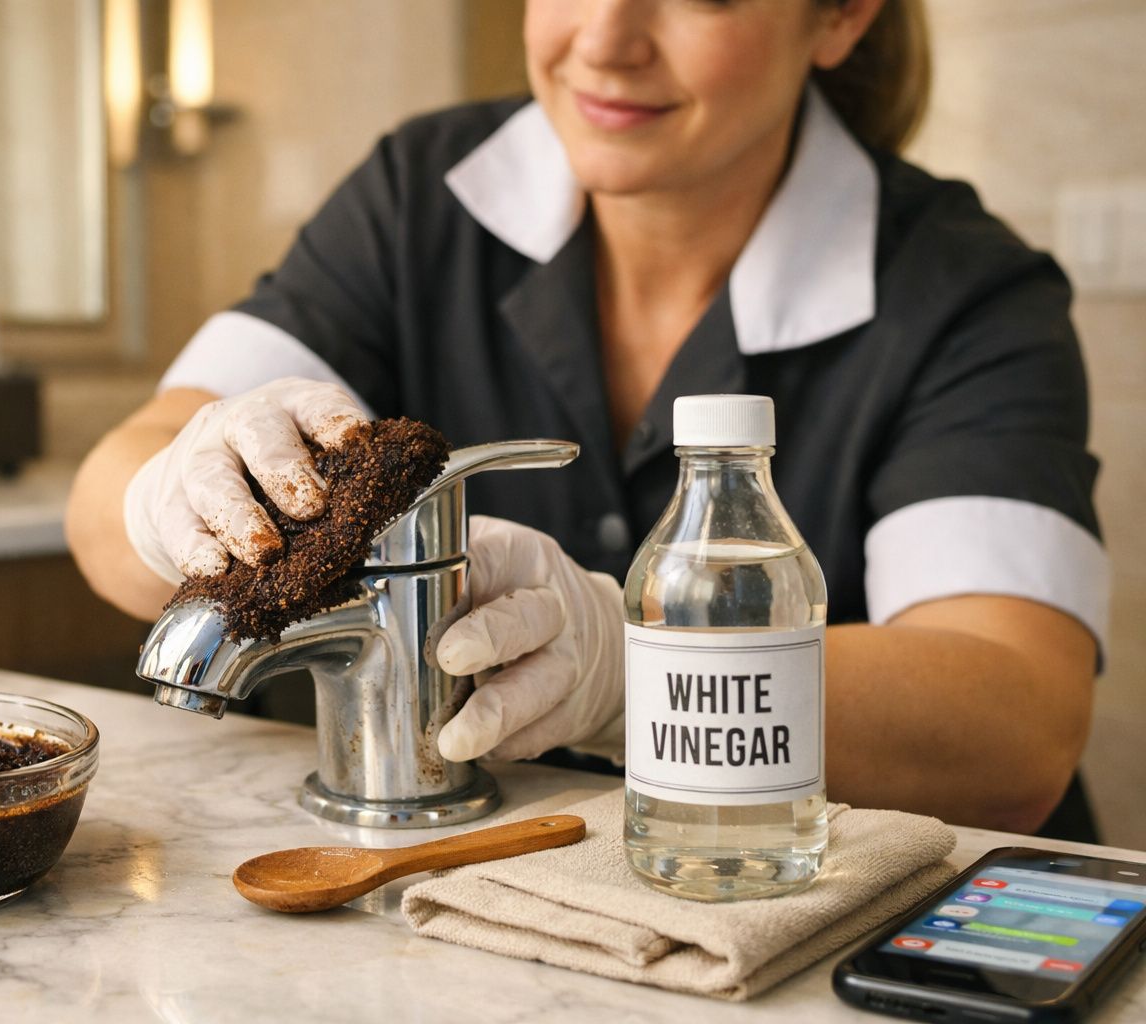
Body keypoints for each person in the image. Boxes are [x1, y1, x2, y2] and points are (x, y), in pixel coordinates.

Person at [67, 0, 1109, 838]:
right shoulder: (416, 199)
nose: (606, 40)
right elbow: (109, 503)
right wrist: (168, 499)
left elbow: (1015, 729)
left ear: (840, 16)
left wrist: (633, 669)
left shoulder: (964, 291)